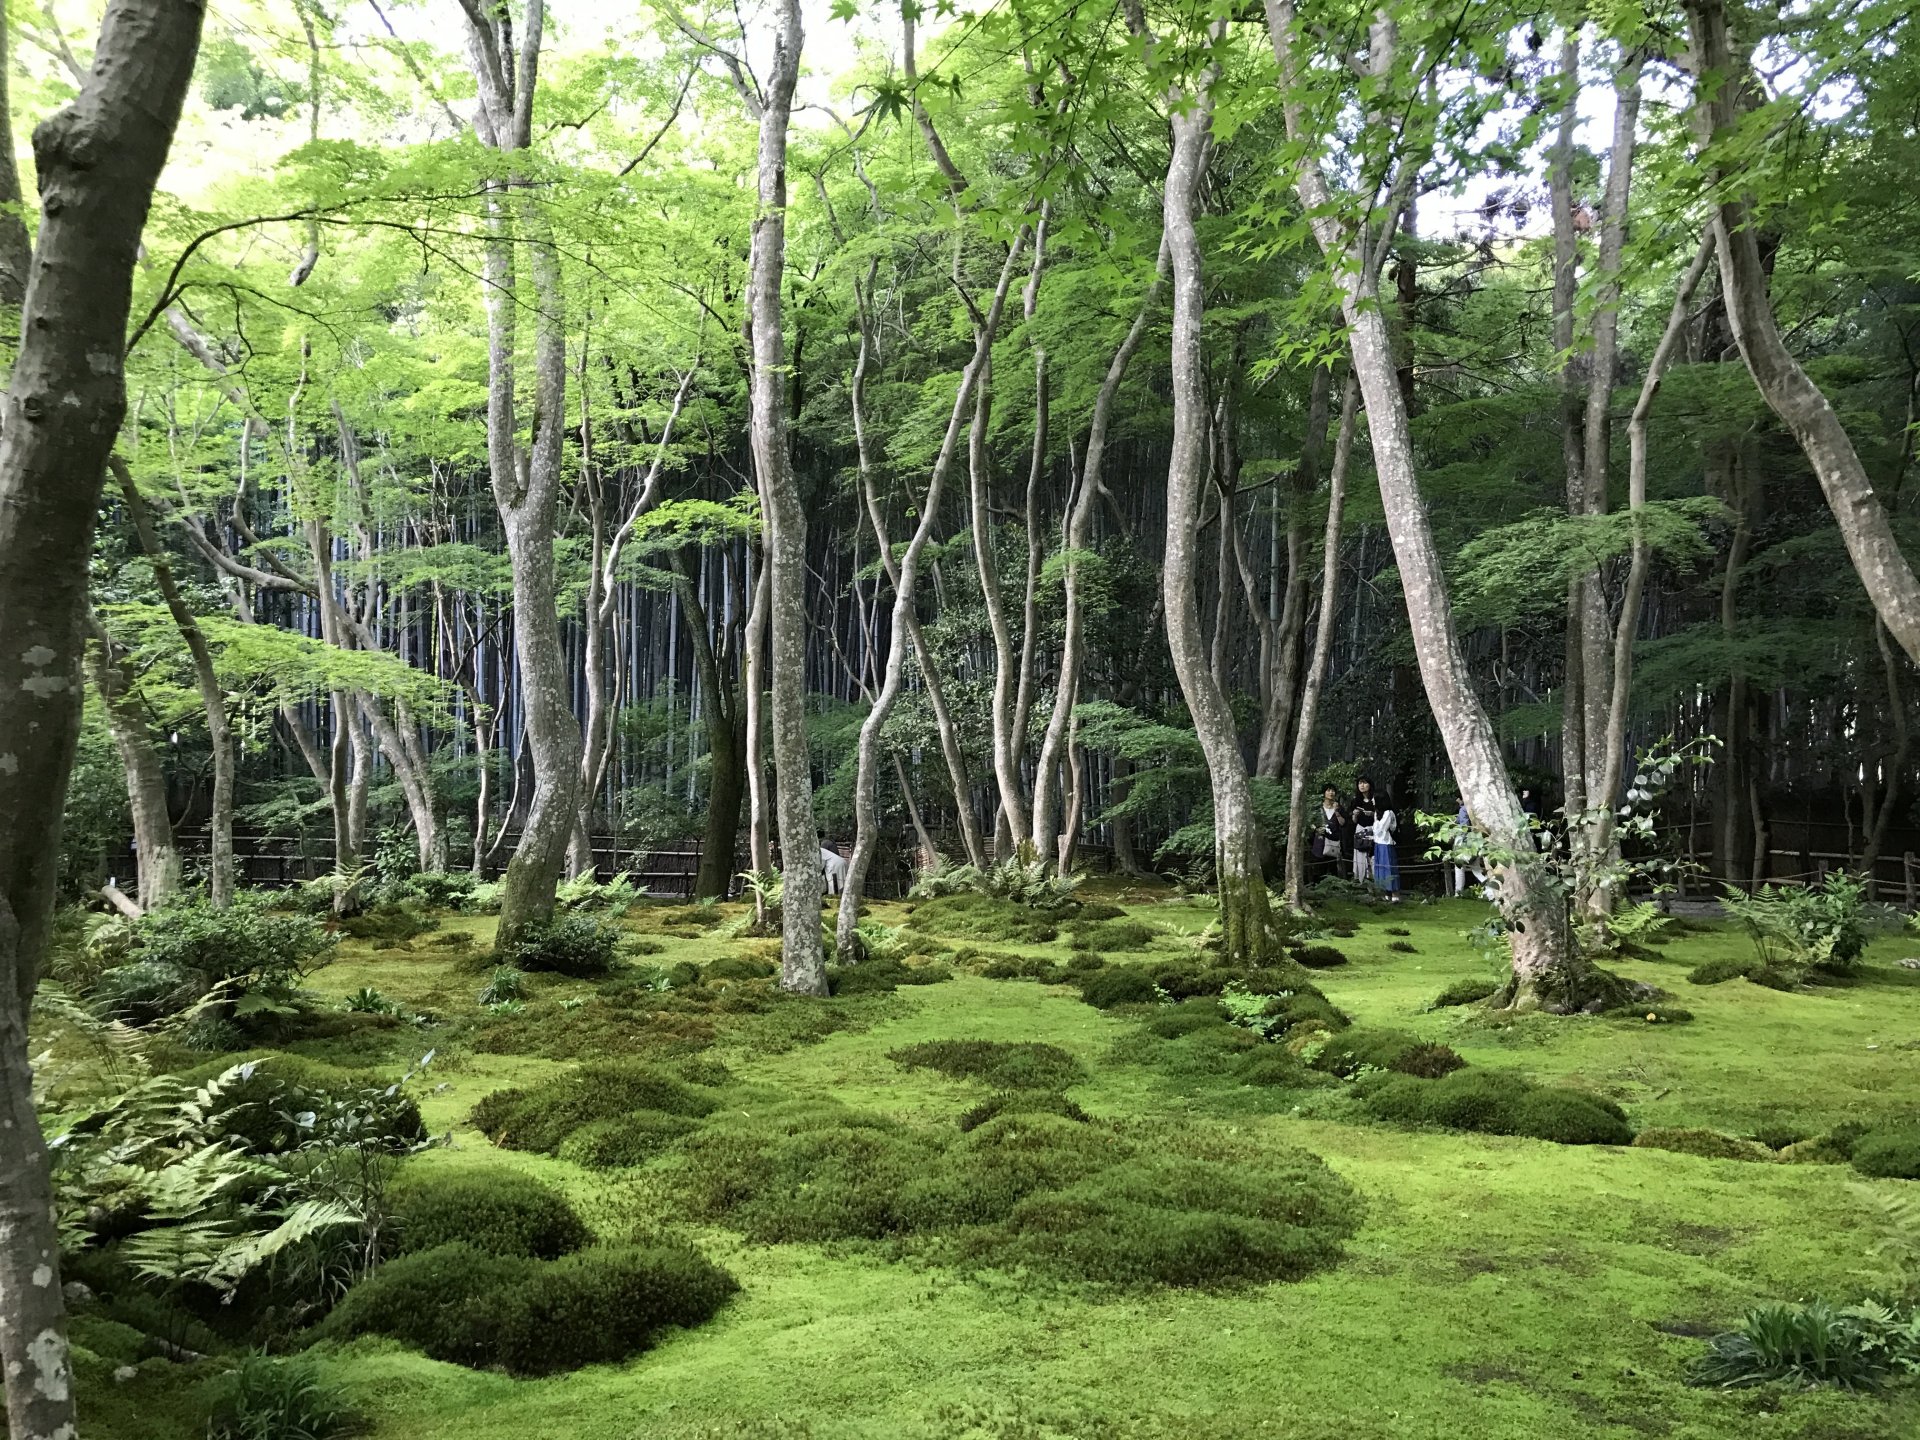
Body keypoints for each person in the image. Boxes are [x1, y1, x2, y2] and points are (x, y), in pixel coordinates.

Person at [1312, 786, 1347, 882]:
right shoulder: (1317, 808)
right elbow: (1311, 822)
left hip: (1333, 842)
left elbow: (1343, 823)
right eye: (1328, 790)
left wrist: (1337, 812)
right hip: (1320, 841)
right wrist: (1316, 829)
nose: (1331, 793)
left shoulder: (1339, 808)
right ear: (1324, 793)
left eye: (1333, 790)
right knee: (1319, 867)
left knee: (1333, 868)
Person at [1371, 792, 1400, 901]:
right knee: (1380, 868)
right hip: (1378, 843)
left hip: (1387, 843)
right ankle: (1385, 893)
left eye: (1374, 799)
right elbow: (1376, 829)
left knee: (1389, 868)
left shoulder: (1388, 812)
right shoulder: (1377, 813)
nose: (1372, 801)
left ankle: (1395, 894)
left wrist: (1375, 824)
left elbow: (1381, 828)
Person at [1349, 778, 1378, 887]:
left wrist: (1372, 814)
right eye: (1360, 783)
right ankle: (1361, 880)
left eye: (1365, 783)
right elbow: (1353, 821)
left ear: (1370, 785)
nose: (1362, 785)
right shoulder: (1356, 801)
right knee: (1360, 855)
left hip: (1373, 829)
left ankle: (1374, 880)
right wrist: (1355, 814)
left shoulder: (1375, 800)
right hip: (1360, 829)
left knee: (1372, 855)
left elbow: (1381, 816)